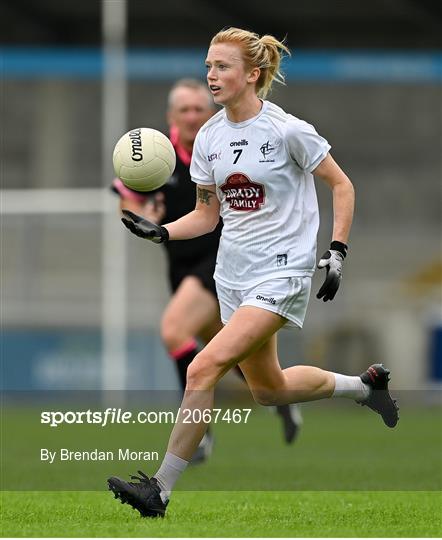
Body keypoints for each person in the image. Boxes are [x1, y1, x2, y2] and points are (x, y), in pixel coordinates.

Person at [108, 28, 399, 517]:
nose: (211, 77)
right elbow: (207, 215)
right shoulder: (210, 139)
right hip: (233, 277)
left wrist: (338, 251)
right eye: (208, 66)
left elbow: (342, 185)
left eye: (222, 67)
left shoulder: (288, 130)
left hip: (282, 275)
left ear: (252, 75)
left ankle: (159, 489)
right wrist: (163, 233)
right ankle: (365, 387)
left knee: (202, 367)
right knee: (269, 389)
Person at [111, 79, 302, 463]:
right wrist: (146, 217)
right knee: (231, 359)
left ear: (210, 112)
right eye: (185, 110)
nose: (193, 116)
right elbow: (128, 201)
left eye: (200, 109)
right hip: (180, 266)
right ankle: (279, 398)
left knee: (173, 330)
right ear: (172, 117)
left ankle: (200, 435)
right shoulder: (153, 153)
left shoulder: (222, 146)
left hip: (223, 260)